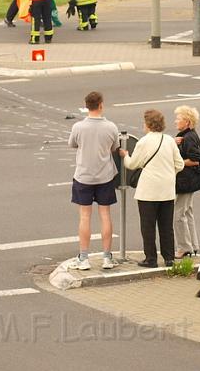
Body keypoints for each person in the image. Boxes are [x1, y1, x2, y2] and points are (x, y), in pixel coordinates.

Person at [121, 109, 184, 268]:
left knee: (148, 226)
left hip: (148, 191)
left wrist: (125, 155)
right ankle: (169, 258)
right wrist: (169, 174)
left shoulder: (144, 142)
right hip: (167, 190)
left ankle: (151, 259)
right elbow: (180, 165)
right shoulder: (169, 140)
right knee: (166, 226)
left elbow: (132, 164)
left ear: (148, 124)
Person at [66, 91, 121, 271]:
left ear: (86, 105)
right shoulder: (111, 127)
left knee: (85, 216)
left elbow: (72, 144)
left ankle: (83, 257)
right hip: (105, 176)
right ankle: (107, 257)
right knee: (105, 215)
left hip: (83, 176)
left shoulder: (78, 127)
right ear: (101, 105)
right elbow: (115, 147)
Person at [173, 105, 200, 259]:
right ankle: (193, 244)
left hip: (186, 181)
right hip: (191, 181)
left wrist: (179, 163)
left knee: (178, 214)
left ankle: (184, 247)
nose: (175, 121)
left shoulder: (188, 138)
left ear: (186, 121)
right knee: (187, 212)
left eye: (178, 118)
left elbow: (196, 160)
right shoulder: (190, 135)